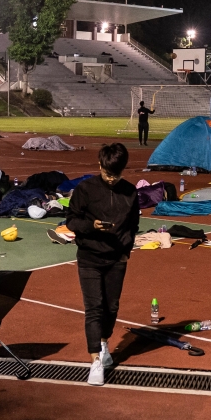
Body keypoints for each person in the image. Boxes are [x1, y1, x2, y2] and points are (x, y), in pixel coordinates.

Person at [67, 143, 140, 386]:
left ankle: (103, 342)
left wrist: (126, 251)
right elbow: (71, 221)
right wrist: (92, 226)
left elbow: (133, 225)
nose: (111, 179)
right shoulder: (85, 189)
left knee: (112, 307)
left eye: (116, 175)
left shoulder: (130, 192)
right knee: (94, 308)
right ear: (99, 166)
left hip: (117, 258)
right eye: (108, 174)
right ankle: (95, 361)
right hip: (89, 257)